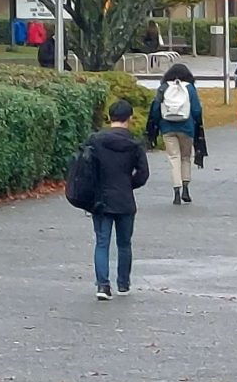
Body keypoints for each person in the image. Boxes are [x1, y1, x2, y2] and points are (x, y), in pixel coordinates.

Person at [76, 98, 151, 299]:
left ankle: (102, 286)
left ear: (109, 118)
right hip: (125, 200)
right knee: (124, 243)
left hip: (101, 199)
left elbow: (86, 168)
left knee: (102, 242)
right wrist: (128, 184)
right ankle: (123, 284)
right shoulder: (134, 144)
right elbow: (143, 174)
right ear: (130, 118)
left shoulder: (95, 141)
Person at [147, 62, 208, 205]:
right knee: (186, 157)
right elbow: (196, 110)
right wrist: (197, 123)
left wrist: (156, 125)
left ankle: (176, 191)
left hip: (167, 128)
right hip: (186, 128)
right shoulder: (190, 88)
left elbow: (155, 108)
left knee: (174, 157)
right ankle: (186, 188)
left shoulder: (163, 88)